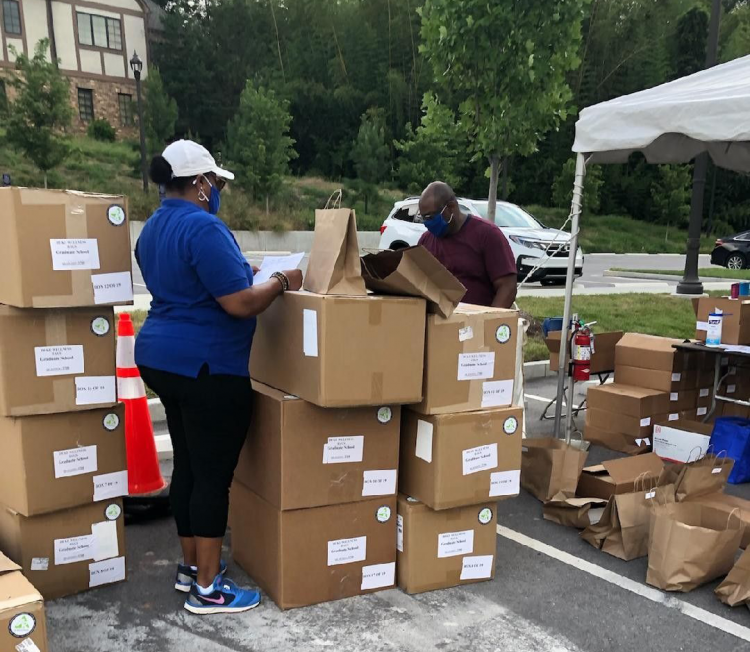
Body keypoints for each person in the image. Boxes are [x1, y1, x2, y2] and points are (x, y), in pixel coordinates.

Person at [135, 139, 302, 615]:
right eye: (218, 183)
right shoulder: (204, 227)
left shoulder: (151, 230)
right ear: (202, 183)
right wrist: (284, 281)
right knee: (212, 477)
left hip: (162, 359)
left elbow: (190, 283)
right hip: (208, 365)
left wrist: (244, 272)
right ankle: (208, 589)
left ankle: (191, 566)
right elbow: (239, 302)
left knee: (187, 466)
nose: (220, 191)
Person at [417, 181, 517, 308]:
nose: (427, 223)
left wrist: (489, 321)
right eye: (423, 218)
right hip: (438, 323)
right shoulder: (426, 242)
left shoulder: (487, 235)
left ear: (451, 207)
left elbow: (507, 287)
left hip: (477, 321)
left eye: (431, 217)